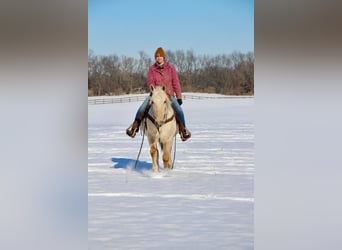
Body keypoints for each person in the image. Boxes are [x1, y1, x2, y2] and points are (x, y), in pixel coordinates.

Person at [126, 47, 191, 141]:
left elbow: (175, 82)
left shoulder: (171, 68)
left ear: (164, 57)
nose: (159, 58)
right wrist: (153, 88)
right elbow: (150, 81)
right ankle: (134, 127)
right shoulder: (152, 69)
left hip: (168, 95)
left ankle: (183, 130)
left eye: (160, 56)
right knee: (142, 108)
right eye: (157, 56)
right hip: (155, 94)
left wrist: (179, 96)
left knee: (179, 110)